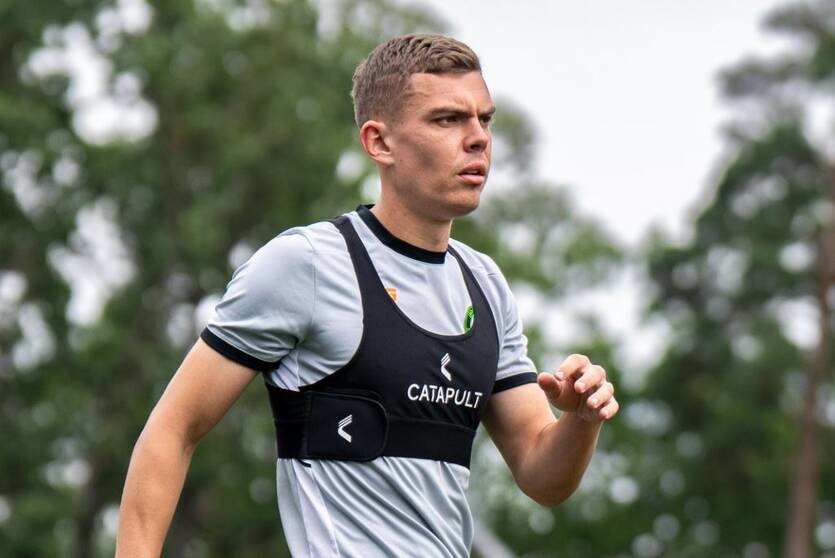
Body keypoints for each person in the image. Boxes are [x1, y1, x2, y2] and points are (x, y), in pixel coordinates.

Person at [116, 33, 619, 557]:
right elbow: (172, 430)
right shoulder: (307, 264)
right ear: (379, 142)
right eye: (447, 119)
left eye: (484, 120)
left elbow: (542, 475)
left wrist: (581, 421)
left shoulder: (486, 284)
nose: (478, 139)